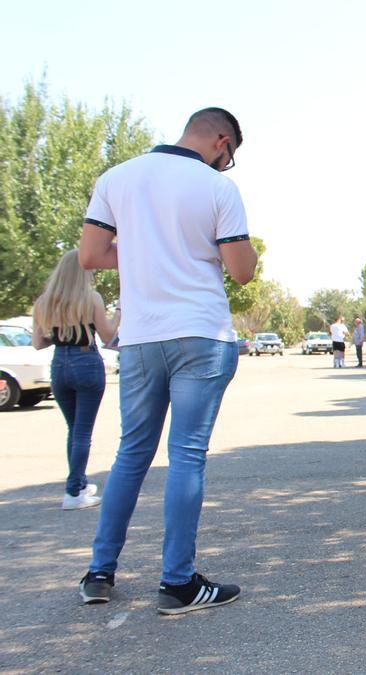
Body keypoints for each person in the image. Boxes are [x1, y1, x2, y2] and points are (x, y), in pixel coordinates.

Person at [77, 107, 257, 614]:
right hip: (200, 332)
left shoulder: (117, 178)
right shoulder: (217, 188)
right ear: (222, 141)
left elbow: (90, 255)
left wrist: (141, 249)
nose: (227, 166)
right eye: (231, 157)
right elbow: (241, 270)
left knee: (131, 454)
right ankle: (176, 583)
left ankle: (99, 572)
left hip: (139, 336)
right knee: (187, 455)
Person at [31, 250, 120, 510]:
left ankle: (79, 482)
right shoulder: (90, 299)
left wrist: (60, 336)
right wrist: (119, 313)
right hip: (86, 362)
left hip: (60, 363)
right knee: (83, 431)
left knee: (74, 429)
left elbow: (38, 343)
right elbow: (107, 335)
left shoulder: (44, 302)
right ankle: (73, 492)